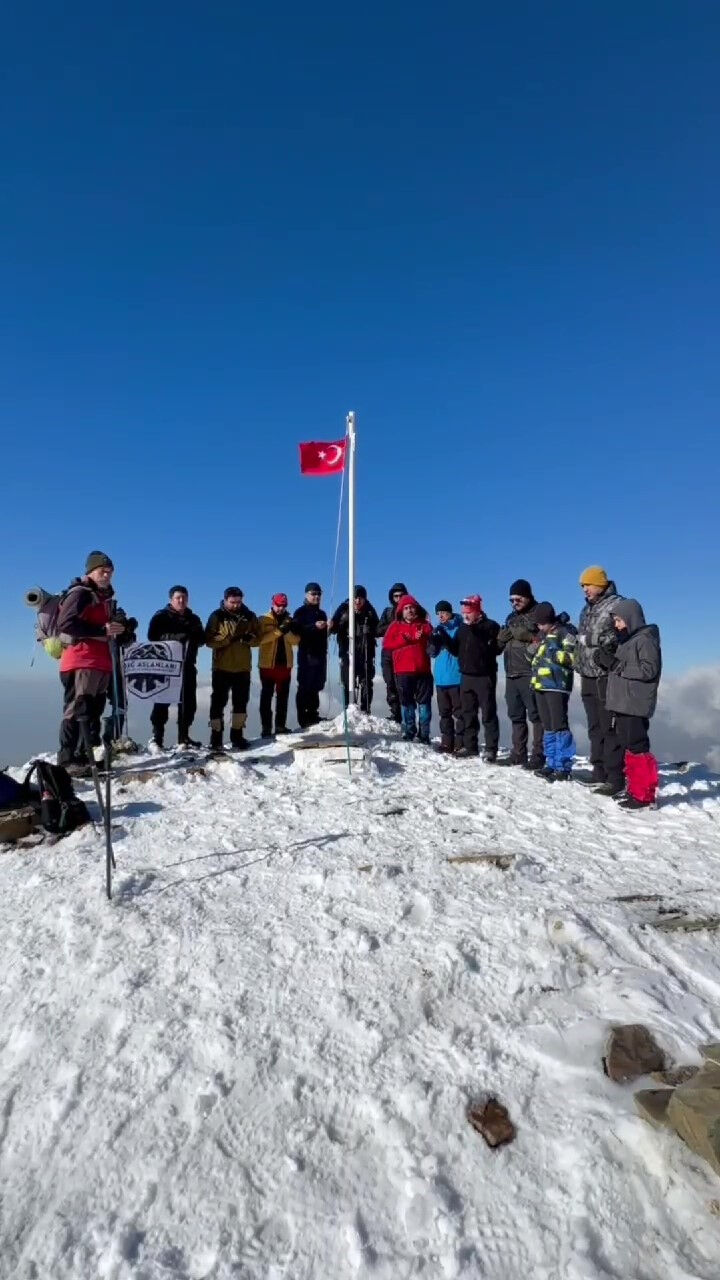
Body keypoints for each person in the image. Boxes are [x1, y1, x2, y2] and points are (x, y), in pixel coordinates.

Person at [55, 551, 128, 776]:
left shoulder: (104, 598)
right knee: (77, 710)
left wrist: (119, 629)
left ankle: (83, 757)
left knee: (92, 711)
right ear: (90, 572)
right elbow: (65, 623)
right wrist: (101, 630)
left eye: (109, 571)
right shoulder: (81, 594)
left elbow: (103, 629)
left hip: (100, 662)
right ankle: (67, 760)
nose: (106, 575)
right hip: (81, 661)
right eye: (101, 571)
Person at [595, 599, 662, 810]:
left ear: (631, 619)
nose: (617, 625)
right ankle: (635, 790)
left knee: (638, 748)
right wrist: (606, 661)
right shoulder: (628, 640)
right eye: (615, 620)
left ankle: (644, 797)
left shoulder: (645, 640)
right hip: (624, 704)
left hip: (635, 704)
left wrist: (616, 664)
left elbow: (648, 670)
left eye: (619, 620)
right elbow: (621, 669)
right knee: (630, 749)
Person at [576, 567, 625, 795]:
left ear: (600, 584)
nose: (584, 589)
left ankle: (615, 777)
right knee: (594, 727)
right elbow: (580, 641)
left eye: (587, 584)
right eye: (582, 586)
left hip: (605, 675)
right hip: (587, 674)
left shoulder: (617, 605)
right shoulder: (587, 609)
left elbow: (622, 636)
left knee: (609, 727)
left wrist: (591, 639)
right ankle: (598, 772)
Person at [440, 595, 500, 760]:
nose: (465, 616)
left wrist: (477, 629)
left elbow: (494, 647)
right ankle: (470, 746)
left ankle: (490, 749)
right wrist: (444, 637)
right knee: (468, 713)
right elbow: (455, 649)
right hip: (465, 676)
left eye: (468, 612)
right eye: (463, 612)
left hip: (484, 676)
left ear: (477, 611)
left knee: (488, 714)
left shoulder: (490, 626)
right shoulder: (462, 629)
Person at [147, 586, 205, 749]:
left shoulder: (194, 618)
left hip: (187, 665)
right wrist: (176, 637)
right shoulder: (161, 617)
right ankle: (157, 738)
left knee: (188, 703)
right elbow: (153, 637)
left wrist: (196, 636)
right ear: (171, 599)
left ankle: (183, 737)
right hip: (166, 666)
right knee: (162, 702)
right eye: (178, 597)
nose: (181, 601)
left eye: (184, 598)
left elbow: (202, 639)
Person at [496, 579, 545, 770]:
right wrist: (500, 641)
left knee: (536, 715)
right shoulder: (510, 617)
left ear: (527, 596)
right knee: (515, 715)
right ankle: (518, 754)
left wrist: (526, 634)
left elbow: (544, 635)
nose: (514, 603)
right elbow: (501, 645)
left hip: (530, 671)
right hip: (511, 673)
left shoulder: (539, 612)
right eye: (511, 600)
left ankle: (538, 755)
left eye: (518, 599)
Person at [204, 588, 259, 750]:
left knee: (240, 704)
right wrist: (228, 638)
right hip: (221, 667)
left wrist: (250, 639)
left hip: (242, 667)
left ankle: (237, 736)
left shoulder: (249, 616)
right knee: (218, 704)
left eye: (238, 602)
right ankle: (216, 739)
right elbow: (208, 640)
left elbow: (259, 638)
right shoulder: (217, 616)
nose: (235, 605)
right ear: (225, 600)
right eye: (232, 602)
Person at [529, 603, 577, 781]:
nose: (539, 627)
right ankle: (551, 763)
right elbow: (535, 659)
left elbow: (573, 658)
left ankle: (563, 766)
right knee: (548, 726)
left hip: (557, 686)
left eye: (541, 624)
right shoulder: (542, 635)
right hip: (540, 685)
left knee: (559, 725)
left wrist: (553, 650)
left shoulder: (565, 632)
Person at [382, 593, 433, 742]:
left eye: (412, 607)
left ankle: (424, 735)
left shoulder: (425, 625)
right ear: (401, 611)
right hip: (403, 671)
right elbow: (387, 645)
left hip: (423, 671)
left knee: (424, 704)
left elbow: (434, 640)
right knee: (407, 703)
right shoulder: (395, 626)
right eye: (406, 608)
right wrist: (405, 639)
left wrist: (424, 637)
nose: (410, 610)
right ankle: (409, 731)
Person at [256, 593, 299, 737]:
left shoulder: (290, 620)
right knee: (266, 696)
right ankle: (266, 728)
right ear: (272, 603)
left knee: (282, 697)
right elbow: (259, 640)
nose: (280, 608)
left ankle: (280, 726)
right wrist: (279, 631)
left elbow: (296, 641)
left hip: (285, 664)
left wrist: (286, 631)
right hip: (267, 665)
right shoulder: (263, 619)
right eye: (278, 605)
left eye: (283, 606)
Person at [331, 586, 380, 712]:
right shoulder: (343, 609)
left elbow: (378, 628)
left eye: (360, 598)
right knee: (347, 681)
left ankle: (365, 710)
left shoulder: (369, 610)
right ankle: (348, 709)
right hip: (347, 652)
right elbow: (332, 627)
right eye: (355, 598)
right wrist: (340, 623)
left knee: (366, 681)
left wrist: (370, 630)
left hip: (366, 652)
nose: (357, 601)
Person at [291, 582, 330, 729]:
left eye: (319, 594)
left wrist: (328, 627)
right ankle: (303, 718)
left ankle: (313, 714)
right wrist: (314, 627)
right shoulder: (300, 612)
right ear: (306, 595)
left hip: (320, 654)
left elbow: (323, 634)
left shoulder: (322, 613)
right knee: (305, 685)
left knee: (317, 684)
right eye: (313, 594)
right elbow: (296, 629)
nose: (317, 597)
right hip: (307, 654)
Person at [428, 601, 463, 754]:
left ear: (450, 612)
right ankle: (446, 743)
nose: (440, 615)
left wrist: (444, 639)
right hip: (441, 678)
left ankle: (461, 743)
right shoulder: (437, 629)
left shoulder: (459, 628)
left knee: (460, 713)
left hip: (456, 676)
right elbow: (431, 653)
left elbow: (458, 648)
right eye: (438, 613)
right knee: (444, 714)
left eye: (443, 612)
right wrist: (431, 643)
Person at [376, 582, 408, 723]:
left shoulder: (411, 611)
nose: (399, 598)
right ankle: (395, 714)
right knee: (390, 683)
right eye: (396, 596)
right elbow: (378, 630)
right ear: (392, 597)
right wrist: (393, 625)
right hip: (388, 652)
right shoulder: (388, 612)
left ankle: (407, 717)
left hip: (404, 653)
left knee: (403, 685)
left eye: (401, 595)